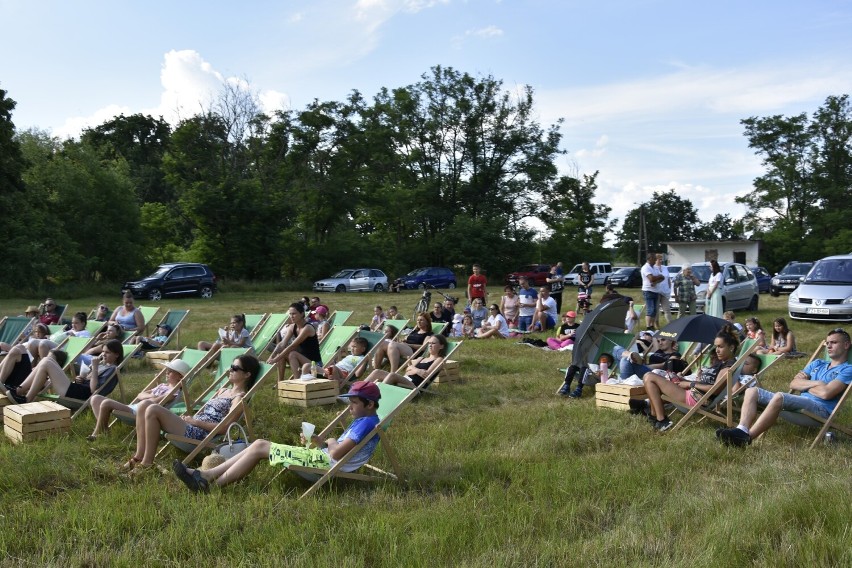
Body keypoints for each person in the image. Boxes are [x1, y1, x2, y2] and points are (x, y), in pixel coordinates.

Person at [171, 380, 382, 493]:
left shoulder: (365, 424)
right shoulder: (367, 420)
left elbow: (337, 452)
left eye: (354, 403)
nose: (350, 407)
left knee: (260, 447)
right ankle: (206, 477)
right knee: (259, 444)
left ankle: (209, 483)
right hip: (326, 458)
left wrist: (326, 441)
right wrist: (320, 442)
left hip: (326, 463)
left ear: (369, 404)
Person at [122, 354, 259, 472]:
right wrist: (190, 419)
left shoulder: (239, 399)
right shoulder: (222, 391)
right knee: (144, 405)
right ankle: (139, 456)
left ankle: (146, 463)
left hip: (200, 434)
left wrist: (195, 421)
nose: (230, 370)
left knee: (152, 409)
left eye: (235, 368)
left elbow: (224, 428)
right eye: (231, 366)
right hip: (191, 424)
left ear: (247, 374)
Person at [716, 328, 852, 447]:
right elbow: (793, 383)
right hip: (801, 403)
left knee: (780, 397)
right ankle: (741, 430)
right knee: (752, 391)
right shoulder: (817, 363)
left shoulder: (847, 369)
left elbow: (826, 394)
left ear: (846, 345)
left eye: (834, 342)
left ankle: (747, 438)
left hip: (819, 411)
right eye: (827, 343)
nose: (828, 346)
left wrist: (805, 386)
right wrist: (818, 384)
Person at [634, 327, 739, 432]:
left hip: (695, 398)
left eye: (720, 347)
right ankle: (654, 416)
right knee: (652, 378)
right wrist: (685, 380)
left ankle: (661, 420)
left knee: (649, 377)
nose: (717, 350)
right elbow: (709, 383)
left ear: (731, 347)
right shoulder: (722, 363)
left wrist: (689, 384)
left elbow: (715, 389)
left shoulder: (727, 367)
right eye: (716, 347)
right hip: (693, 392)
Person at [87, 358, 190, 440]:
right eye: (167, 370)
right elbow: (140, 395)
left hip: (140, 412)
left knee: (106, 403)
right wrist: (152, 395)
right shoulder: (163, 386)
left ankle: (97, 433)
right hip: (134, 407)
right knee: (95, 398)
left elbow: (153, 403)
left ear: (180, 377)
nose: (166, 372)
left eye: (170, 371)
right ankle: (103, 429)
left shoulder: (174, 393)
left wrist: (152, 397)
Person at [7, 340, 123, 404]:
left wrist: (95, 367)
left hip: (82, 395)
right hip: (77, 389)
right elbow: (88, 382)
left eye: (107, 352)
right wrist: (80, 379)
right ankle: (20, 391)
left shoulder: (113, 370)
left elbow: (94, 391)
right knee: (46, 361)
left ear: (116, 354)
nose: (103, 354)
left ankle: (25, 397)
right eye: (102, 352)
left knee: (47, 361)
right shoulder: (103, 365)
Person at [366, 335, 448, 389]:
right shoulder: (421, 358)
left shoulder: (439, 359)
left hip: (415, 386)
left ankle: (376, 396)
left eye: (433, 343)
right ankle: (358, 391)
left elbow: (426, 375)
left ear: (441, 346)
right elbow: (407, 370)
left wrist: (413, 369)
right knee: (376, 372)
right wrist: (417, 370)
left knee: (392, 375)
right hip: (406, 379)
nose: (430, 345)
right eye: (429, 343)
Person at [269, 303, 322, 381]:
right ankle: (280, 382)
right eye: (290, 314)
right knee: (281, 354)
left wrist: (275, 359)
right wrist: (272, 356)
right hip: (302, 361)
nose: (291, 316)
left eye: (294, 314)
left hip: (315, 365)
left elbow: (292, 346)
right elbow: (282, 344)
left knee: (292, 354)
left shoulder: (307, 328)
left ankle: (297, 381)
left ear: (302, 314)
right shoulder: (292, 327)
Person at [640, 254, 664, 330]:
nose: (655, 261)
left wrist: (657, 280)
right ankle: (648, 326)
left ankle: (652, 325)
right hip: (648, 290)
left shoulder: (654, 267)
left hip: (655, 290)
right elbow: (651, 278)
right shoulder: (645, 268)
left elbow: (662, 277)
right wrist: (658, 277)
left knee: (654, 310)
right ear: (649, 259)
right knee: (650, 309)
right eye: (654, 259)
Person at [655, 255, 672, 325]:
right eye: (659, 259)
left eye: (661, 259)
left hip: (665, 291)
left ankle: (670, 324)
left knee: (667, 309)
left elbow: (668, 278)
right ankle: (656, 324)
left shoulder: (665, 268)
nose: (661, 261)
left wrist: (669, 287)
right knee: (656, 310)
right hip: (656, 291)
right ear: (655, 260)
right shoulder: (653, 268)